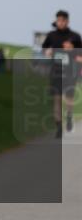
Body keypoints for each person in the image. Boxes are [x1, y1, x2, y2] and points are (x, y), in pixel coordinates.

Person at [42, 10, 82, 138]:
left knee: (68, 99)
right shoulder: (51, 36)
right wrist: (46, 52)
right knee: (57, 99)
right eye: (59, 20)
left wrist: (73, 51)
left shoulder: (75, 37)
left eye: (63, 20)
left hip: (70, 72)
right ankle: (59, 126)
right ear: (56, 21)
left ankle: (69, 116)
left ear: (67, 21)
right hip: (56, 72)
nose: (61, 23)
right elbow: (44, 48)